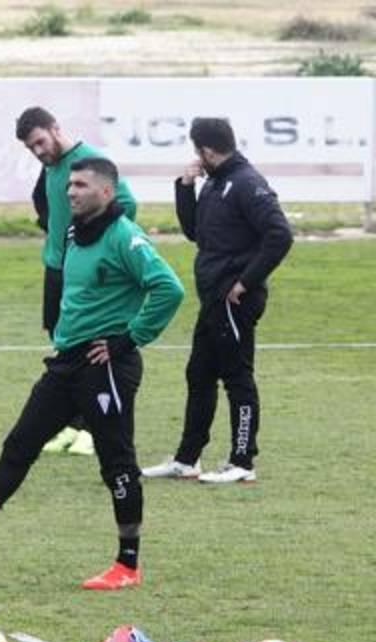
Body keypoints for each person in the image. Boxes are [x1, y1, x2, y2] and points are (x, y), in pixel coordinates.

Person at [0, 157, 184, 590]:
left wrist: (127, 339)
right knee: (20, 444)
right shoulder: (77, 230)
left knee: (117, 464)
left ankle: (127, 565)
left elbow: (170, 288)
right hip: (66, 363)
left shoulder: (124, 237)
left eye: (81, 185)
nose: (70, 191)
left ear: (107, 192)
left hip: (105, 366)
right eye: (69, 184)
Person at [142, 118, 293, 485]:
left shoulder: (246, 184)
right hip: (213, 299)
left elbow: (280, 234)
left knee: (237, 377)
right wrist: (185, 186)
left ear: (206, 150)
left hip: (234, 300)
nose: (197, 158)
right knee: (199, 374)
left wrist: (245, 282)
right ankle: (187, 459)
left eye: (197, 152)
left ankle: (243, 461)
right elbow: (195, 231)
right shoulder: (215, 183)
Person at [15, 106, 138, 458]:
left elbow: (127, 203)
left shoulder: (89, 161)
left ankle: (91, 430)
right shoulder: (51, 167)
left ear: (55, 129)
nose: (38, 151)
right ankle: (72, 424)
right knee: (63, 343)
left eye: (40, 142)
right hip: (57, 268)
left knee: (89, 350)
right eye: (31, 148)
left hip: (82, 271)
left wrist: (97, 242)